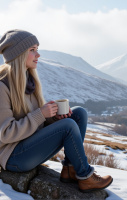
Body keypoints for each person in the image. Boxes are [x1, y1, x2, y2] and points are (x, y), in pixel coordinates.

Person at [0, 29, 113, 193]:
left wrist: (53, 118)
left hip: (28, 145)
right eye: (32, 50)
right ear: (18, 54)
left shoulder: (29, 81)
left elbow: (36, 122)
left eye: (37, 49)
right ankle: (85, 176)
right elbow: (6, 133)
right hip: (13, 157)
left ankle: (70, 170)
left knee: (78, 114)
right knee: (68, 125)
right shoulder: (2, 86)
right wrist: (41, 114)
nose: (38, 55)